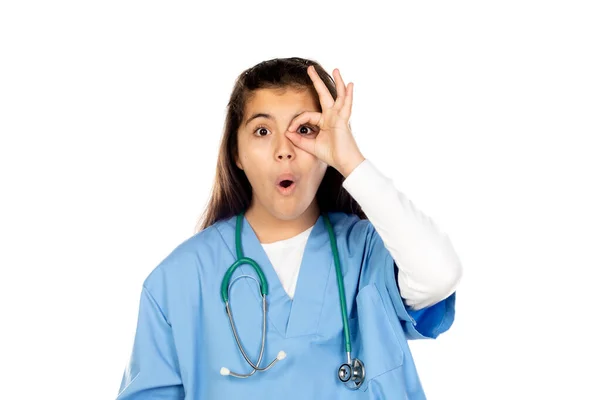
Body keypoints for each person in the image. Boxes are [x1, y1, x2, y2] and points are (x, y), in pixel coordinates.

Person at [116, 57, 463, 399]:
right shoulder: (178, 280)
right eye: (262, 131)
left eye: (305, 130)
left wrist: (350, 161)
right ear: (236, 152)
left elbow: (440, 274)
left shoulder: (368, 254)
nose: (284, 151)